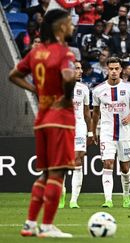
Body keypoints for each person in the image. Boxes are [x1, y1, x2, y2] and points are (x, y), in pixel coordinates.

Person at [9, 9, 76, 238]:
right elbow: (68, 76)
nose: (72, 26)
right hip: (61, 120)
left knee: (45, 174)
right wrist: (66, 98)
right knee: (58, 174)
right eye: (69, 23)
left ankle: (29, 224)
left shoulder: (36, 53)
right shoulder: (63, 52)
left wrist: (35, 89)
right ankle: (47, 226)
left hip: (42, 119)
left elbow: (14, 75)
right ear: (60, 27)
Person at [91, 57, 130, 208]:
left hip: (125, 133)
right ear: (107, 69)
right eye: (111, 68)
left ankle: (126, 196)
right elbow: (96, 113)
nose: (113, 71)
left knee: (125, 168)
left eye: (116, 68)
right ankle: (108, 199)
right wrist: (93, 132)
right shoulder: (98, 90)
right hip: (107, 133)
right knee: (108, 163)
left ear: (120, 70)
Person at [59, 61, 92, 209]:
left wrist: (90, 131)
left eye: (80, 68)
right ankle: (62, 195)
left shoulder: (84, 88)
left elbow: (86, 112)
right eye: (76, 68)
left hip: (79, 126)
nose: (80, 71)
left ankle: (74, 200)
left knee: (77, 159)